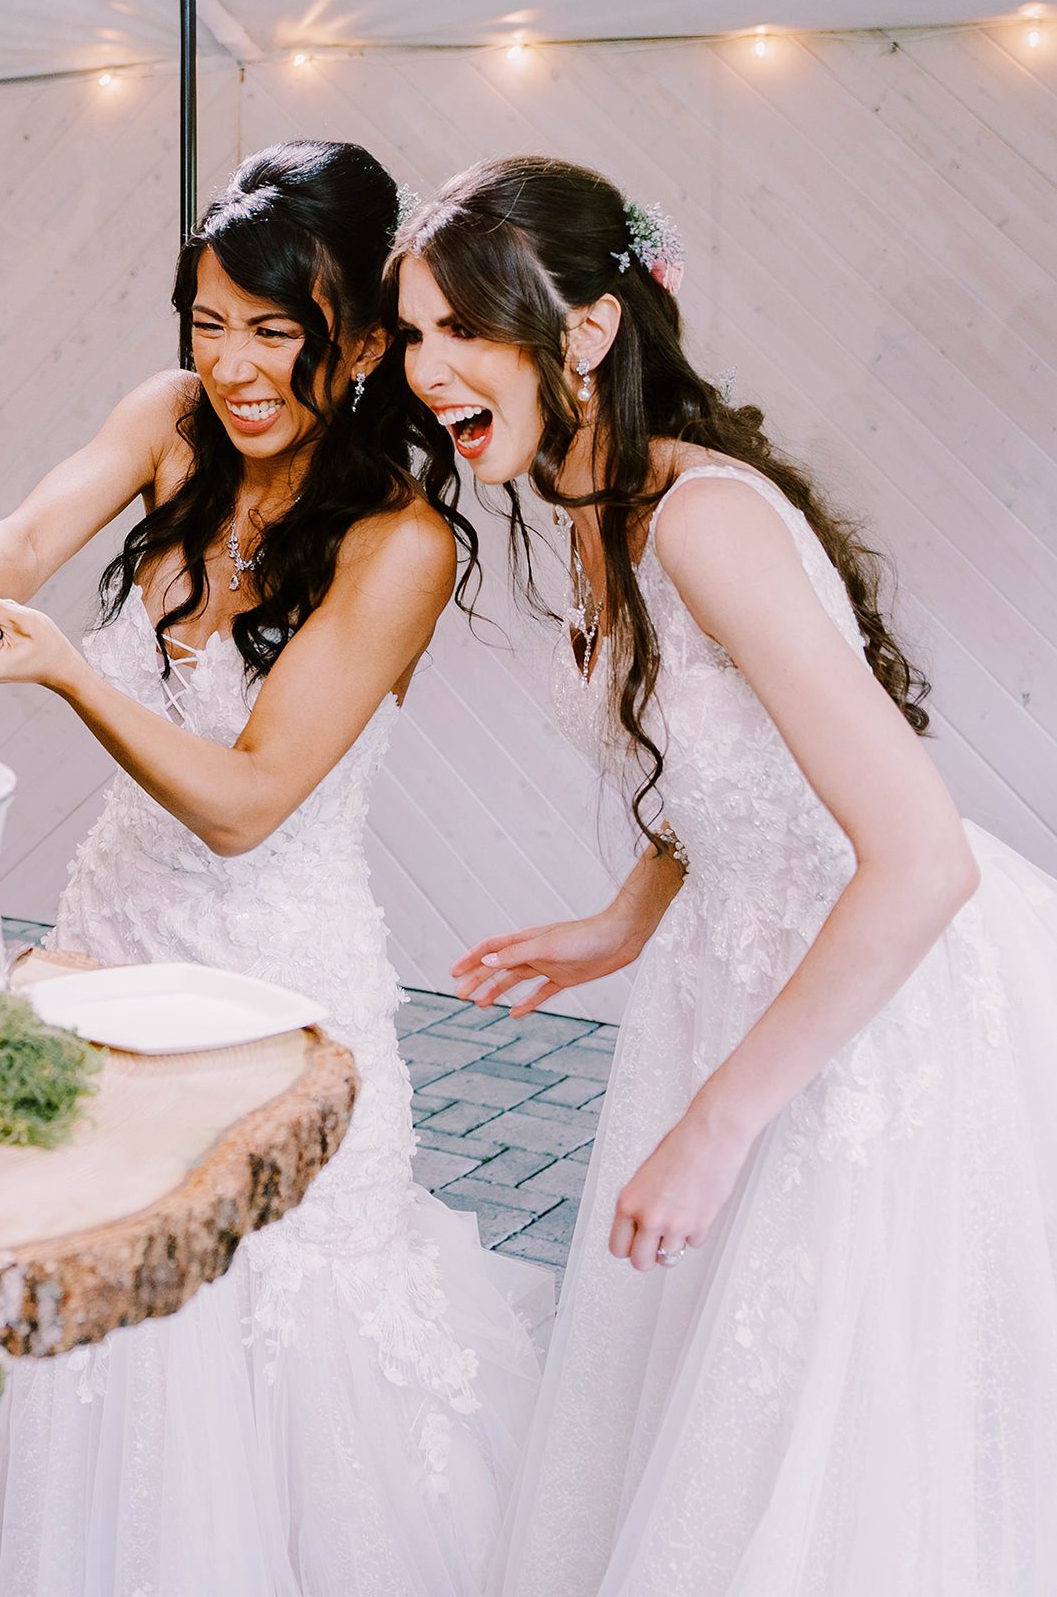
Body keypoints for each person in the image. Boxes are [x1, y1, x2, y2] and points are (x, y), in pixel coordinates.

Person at [0, 141, 548, 1597]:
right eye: (208, 324)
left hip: (280, 1001)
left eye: (277, 332)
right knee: (86, 1309)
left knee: (263, 1339)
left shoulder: (402, 543)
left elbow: (250, 801)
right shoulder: (171, 421)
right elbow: (22, 535)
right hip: (106, 950)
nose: (236, 368)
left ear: (365, 344)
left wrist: (68, 674)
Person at [398, 155, 1057, 1594]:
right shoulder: (591, 501)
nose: (424, 368)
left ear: (584, 332)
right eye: (411, 334)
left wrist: (718, 1120)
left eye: (461, 330)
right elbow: (714, 770)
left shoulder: (706, 520)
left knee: (840, 1425)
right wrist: (621, 923)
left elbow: (921, 859)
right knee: (715, 1389)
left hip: (874, 1007)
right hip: (731, 974)